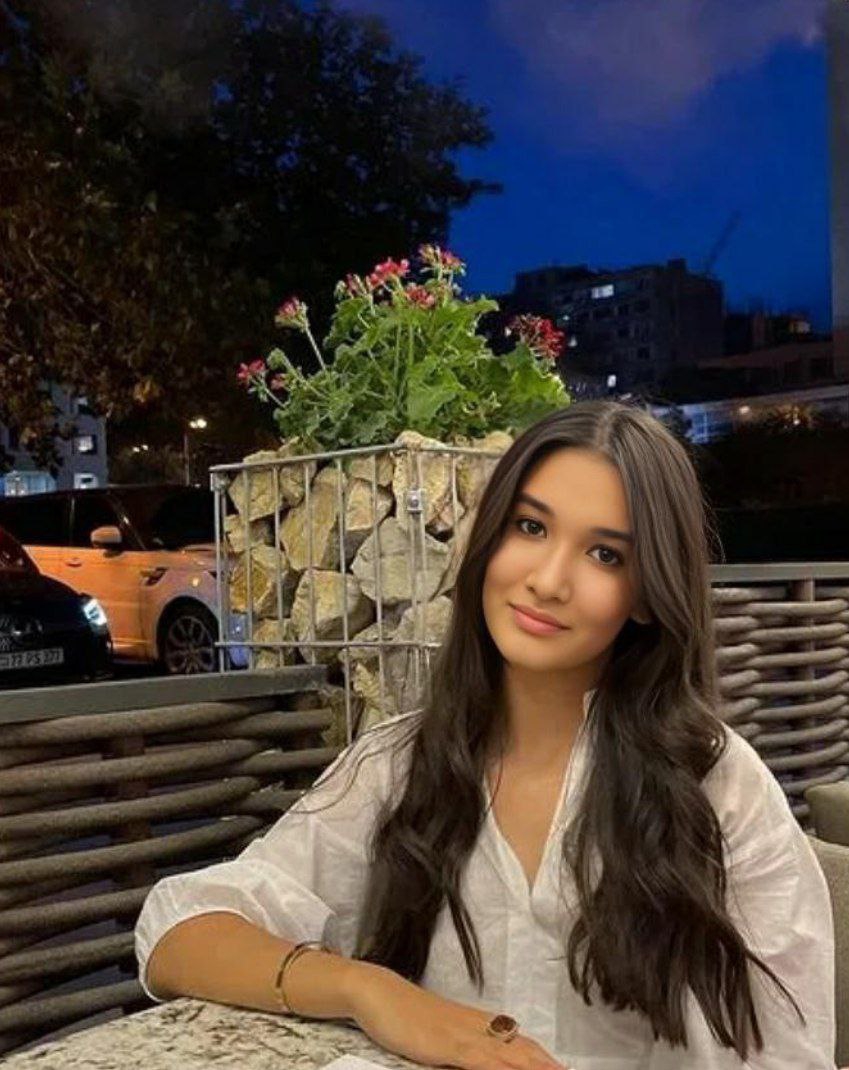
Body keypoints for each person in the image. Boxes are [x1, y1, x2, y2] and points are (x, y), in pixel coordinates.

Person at [135, 400, 836, 1070]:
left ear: (649, 595)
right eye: (530, 527)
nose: (548, 580)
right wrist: (370, 991)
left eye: (604, 555)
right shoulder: (398, 765)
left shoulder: (718, 788)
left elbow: (785, 1055)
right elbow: (177, 932)